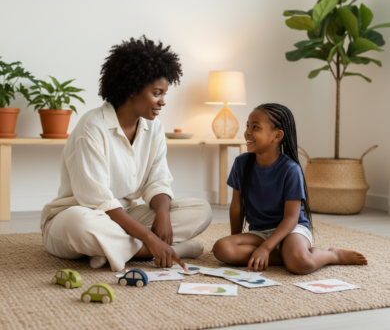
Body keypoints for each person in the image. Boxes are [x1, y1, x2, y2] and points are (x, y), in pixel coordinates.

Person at [41, 36, 212, 272]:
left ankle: (112, 250)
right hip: (82, 216)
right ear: (132, 89)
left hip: (127, 217)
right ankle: (152, 251)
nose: (163, 101)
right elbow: (98, 201)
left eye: (164, 94)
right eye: (157, 93)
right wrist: (151, 239)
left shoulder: (155, 127)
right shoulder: (91, 127)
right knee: (79, 223)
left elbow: (158, 180)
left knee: (201, 209)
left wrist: (162, 213)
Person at [212, 103, 368, 275]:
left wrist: (265, 248)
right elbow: (236, 206)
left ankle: (332, 255)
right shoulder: (241, 163)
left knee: (301, 265)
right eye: (248, 126)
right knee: (222, 249)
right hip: (260, 231)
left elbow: (291, 218)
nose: (247, 132)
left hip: (291, 229)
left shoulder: (290, 169)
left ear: (277, 136)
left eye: (255, 127)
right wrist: (235, 239)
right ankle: (286, 256)